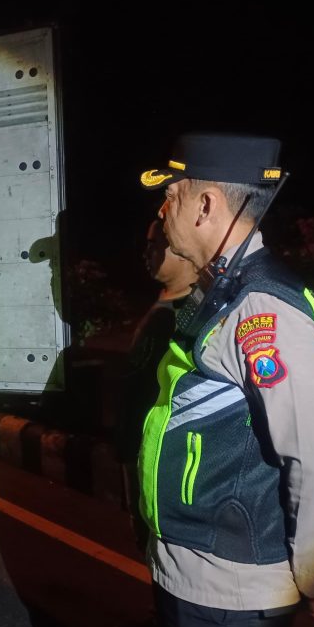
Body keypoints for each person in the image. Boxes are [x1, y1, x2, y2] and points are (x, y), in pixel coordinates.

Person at [137, 133, 314, 627]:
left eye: (172, 196)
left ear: (205, 205)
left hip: (229, 590)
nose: (163, 210)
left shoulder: (263, 311)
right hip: (194, 571)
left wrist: (313, 575)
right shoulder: (224, 290)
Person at [116, 219, 197, 549]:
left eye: (154, 245)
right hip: (139, 449)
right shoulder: (165, 304)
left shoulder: (194, 313)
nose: (145, 253)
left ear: (180, 246)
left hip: (167, 460)